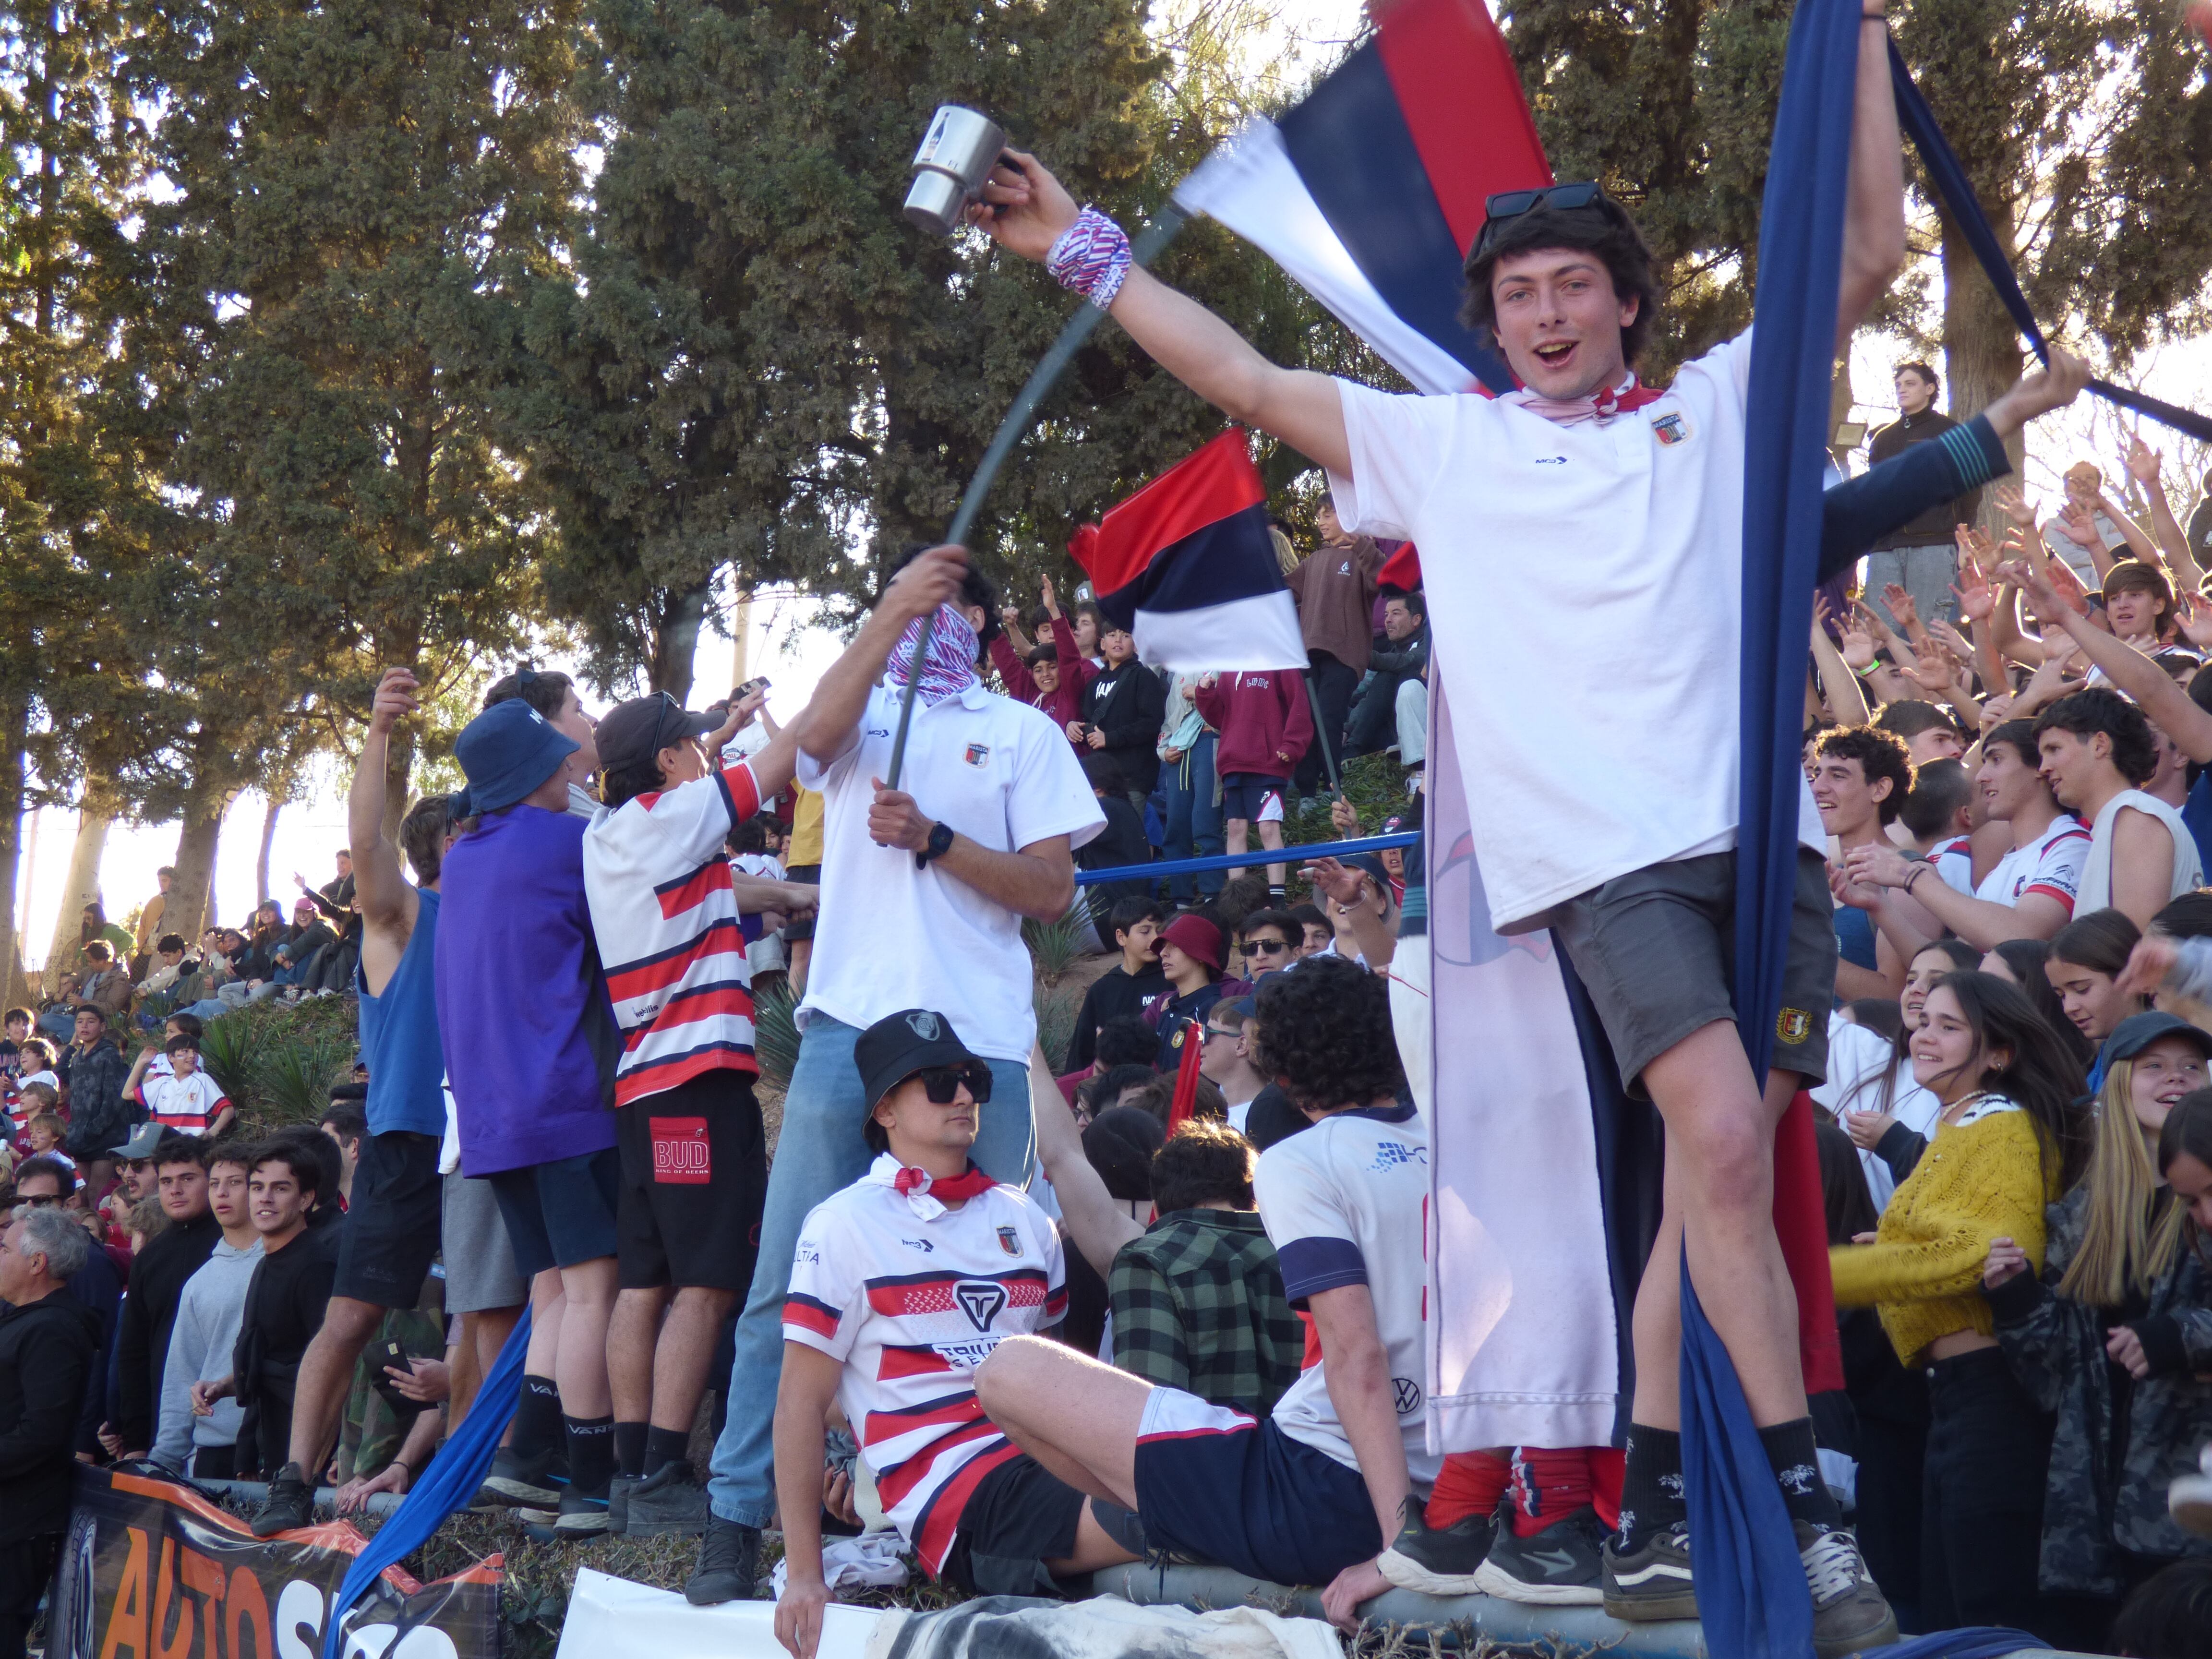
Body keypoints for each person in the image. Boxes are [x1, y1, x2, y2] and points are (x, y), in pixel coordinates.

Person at [690, 545, 1104, 1602]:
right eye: (909, 606)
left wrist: (938, 839)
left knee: (1000, 1287)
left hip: (979, 1035)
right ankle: (738, 1519)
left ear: (981, 622)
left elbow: (1053, 890)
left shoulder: (1024, 731)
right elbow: (807, 742)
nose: (927, 626)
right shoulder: (862, 714)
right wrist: (883, 615)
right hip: (847, 1028)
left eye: (946, 606)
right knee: (788, 1280)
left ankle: (994, 1513)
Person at [970, 956, 1433, 1630]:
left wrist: (1399, 1549)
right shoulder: (1445, 1147)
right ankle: (1182, 1523)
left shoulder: (1303, 1162)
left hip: (1329, 1490)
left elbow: (1356, 1357)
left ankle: (1183, 1529)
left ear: (1283, 1074)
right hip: (1448, 1482)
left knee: (1008, 1370)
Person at [770, 1010, 1138, 1659]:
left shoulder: (1024, 1218)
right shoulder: (843, 1225)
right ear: (884, 1109)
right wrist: (805, 1575)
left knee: (1195, 1483)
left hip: (1054, 1456)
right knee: (1175, 1510)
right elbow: (800, 1404)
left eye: (971, 1079)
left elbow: (1062, 1375)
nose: (965, 1095)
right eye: (939, 1083)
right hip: (958, 1494)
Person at [584, 685, 805, 1537]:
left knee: (645, 1283)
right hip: (695, 1088)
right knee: (708, 1283)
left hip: (644, 1092)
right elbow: (782, 762)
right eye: (696, 745)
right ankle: (670, 1467)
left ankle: (635, 1474)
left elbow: (710, 892)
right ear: (670, 762)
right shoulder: (676, 811)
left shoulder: (614, 831)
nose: (708, 755)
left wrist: (787, 897)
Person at [251, 671, 460, 1532]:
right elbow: (366, 842)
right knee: (349, 1316)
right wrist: (379, 731)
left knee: (490, 1318)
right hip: (409, 1140)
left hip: (495, 1141)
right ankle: (295, 1476)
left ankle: (468, 1472)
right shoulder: (405, 916)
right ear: (446, 844)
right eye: (475, 828)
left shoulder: (511, 921)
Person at [1829, 972, 2090, 1633]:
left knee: (1982, 1616)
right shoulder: (1959, 1126)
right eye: (1924, 1023)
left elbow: (1991, 1249)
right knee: (1952, 1615)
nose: (1926, 1036)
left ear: (1998, 1053)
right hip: (1951, 1397)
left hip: (1992, 1396)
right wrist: (1886, 1244)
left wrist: (1834, 1275)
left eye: (1950, 1027)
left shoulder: (1995, 1125)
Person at [439, 690, 625, 1537]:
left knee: (550, 1290)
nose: (571, 761)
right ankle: (591, 1483)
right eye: (559, 754)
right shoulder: (566, 840)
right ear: (535, 770)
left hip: (492, 1120)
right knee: (592, 1295)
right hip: (564, 1100)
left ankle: (529, 1462)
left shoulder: (465, 855)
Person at [1986, 1019, 2212, 1644]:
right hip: (2098, 1510)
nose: (2176, 1077)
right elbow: (2054, 1377)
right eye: (2154, 1065)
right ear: (2115, 1085)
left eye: (2191, 1066)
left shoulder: (2208, 1204)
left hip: (2193, 1502)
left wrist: (2181, 1336)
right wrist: (2015, 1299)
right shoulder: (2079, 1214)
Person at [1106, 1120, 1301, 1417]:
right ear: (1255, 1193)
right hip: (1317, 1455)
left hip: (1203, 1458)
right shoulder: (1304, 1251)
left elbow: (1149, 1409)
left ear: (1156, 1207)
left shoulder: (1147, 1259)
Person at [1844, 719, 2089, 952]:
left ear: (2039, 767)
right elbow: (1954, 966)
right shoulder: (2003, 866)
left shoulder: (2072, 846)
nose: (1982, 777)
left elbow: (2021, 934)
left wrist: (1911, 877)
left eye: (1996, 759)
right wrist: (1880, 907)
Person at [197, 1140, 341, 1482]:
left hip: (305, 1466)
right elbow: (272, 1357)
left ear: (306, 1199)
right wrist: (224, 1385)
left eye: (281, 1188)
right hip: (267, 1452)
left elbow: (335, 1371)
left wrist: (316, 1461)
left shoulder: (315, 1267)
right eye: (257, 1187)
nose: (265, 1198)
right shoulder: (267, 1263)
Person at [0, 1205, 97, 1659]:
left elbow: (43, 1431)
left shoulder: (52, 1328)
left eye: (3, 1248)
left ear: (36, 1263)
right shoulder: (22, 1320)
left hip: (17, 1524)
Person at [2033, 689, 2201, 928]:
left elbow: (2133, 945)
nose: (2043, 768)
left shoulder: (2136, 817)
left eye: (2054, 749)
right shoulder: (2122, 818)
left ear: (2100, 745)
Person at [151, 1143, 262, 1477]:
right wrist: (166, 1457)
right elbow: (183, 1371)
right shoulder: (199, 1282)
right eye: (214, 1184)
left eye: (235, 1182)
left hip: (274, 1441)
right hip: (214, 1447)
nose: (222, 1193)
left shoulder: (289, 1264)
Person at [107, 1135, 218, 1459]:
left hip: (225, 1421)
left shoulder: (239, 1245)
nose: (175, 1190)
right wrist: (136, 1441)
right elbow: (133, 1351)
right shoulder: (150, 1257)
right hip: (162, 1425)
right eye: (167, 1181)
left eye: (187, 1179)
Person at [1863, 361, 1983, 632]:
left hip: (1933, 544)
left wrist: (1958, 530)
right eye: (1898, 385)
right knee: (1882, 630)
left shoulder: (1952, 432)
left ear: (1930, 389)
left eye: (1910, 383)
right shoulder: (1882, 439)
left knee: (1930, 627)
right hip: (1885, 547)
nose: (1902, 390)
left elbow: (1972, 488)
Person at [1811, 724, 1916, 1000]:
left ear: (1880, 789)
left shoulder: (1909, 874)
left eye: (1838, 776)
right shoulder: (1828, 875)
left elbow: (1897, 996)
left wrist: (1797, 939)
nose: (1818, 788)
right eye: (1817, 774)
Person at [1284, 504, 1381, 798]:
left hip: (1344, 654)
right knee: (1307, 720)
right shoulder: (1314, 561)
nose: (1321, 522)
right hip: (1308, 654)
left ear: (1347, 515)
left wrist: (1363, 546)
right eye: (1319, 516)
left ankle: (1332, 788)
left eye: (1329, 514)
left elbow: (1383, 579)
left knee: (1328, 718)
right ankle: (1308, 793)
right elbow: (1282, 593)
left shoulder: (1363, 554)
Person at [1195, 668, 1313, 897]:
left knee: (1268, 827)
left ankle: (1277, 894)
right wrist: (1205, 694)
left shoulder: (1279, 660)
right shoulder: (1230, 668)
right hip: (1233, 762)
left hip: (1269, 761)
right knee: (1235, 828)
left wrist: (1292, 744)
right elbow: (1222, 717)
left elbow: (1299, 705)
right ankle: (1237, 897)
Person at [1062, 899, 1165, 1074]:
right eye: (1145, 931)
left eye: (1159, 930)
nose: (1155, 938)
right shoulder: (1101, 991)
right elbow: (1082, 1056)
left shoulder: (1171, 978)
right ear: (1121, 937)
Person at [2051, 910, 2152, 1085]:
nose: (2069, 1008)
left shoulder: (2156, 1060)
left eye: (2082, 989)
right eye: (2061, 996)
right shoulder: (2101, 1059)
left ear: (2130, 976)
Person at [1072, 621, 1166, 809]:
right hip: (1099, 778)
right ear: (1102, 643)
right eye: (1112, 635)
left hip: (1133, 779)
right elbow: (1090, 724)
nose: (1118, 640)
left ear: (1135, 643)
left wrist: (1110, 738)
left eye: (1125, 635)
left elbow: (1151, 723)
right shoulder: (1094, 683)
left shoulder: (1144, 677)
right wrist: (1075, 729)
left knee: (1128, 834)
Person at [1346, 590, 1430, 759]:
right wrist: (1346, 729)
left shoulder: (1427, 643)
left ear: (1416, 620)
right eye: (1386, 614)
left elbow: (1409, 661)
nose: (1388, 620)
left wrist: (1365, 656)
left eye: (1396, 613)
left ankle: (1353, 748)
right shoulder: (1394, 649)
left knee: (1388, 677)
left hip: (1427, 726)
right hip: (1386, 731)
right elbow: (1367, 697)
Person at [58, 1004, 131, 1196]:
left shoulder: (110, 1054)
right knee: (79, 1193)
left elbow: (114, 1098)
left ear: (103, 1026)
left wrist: (95, 1129)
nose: (85, 1026)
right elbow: (59, 1072)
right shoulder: (79, 1057)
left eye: (91, 1022)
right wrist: (72, 1046)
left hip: (105, 1135)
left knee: (97, 1192)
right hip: (81, 1136)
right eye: (80, 1022)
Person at [1142, 913, 1226, 1070]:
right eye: (1164, 946)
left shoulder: (1214, 1013)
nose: (1163, 953)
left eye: (1174, 945)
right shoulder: (1168, 1010)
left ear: (1201, 955)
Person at [126, 1034, 232, 1137]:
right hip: (165, 1148)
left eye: (195, 1052)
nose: (192, 1056)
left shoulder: (203, 1080)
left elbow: (228, 1110)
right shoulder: (161, 1083)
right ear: (171, 1058)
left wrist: (213, 1131)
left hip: (194, 1147)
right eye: (185, 1051)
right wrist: (140, 1063)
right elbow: (126, 1094)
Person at [1198, 997, 1268, 1134]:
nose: (1200, 1042)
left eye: (1208, 1033)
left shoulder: (1270, 1113)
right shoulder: (1203, 1114)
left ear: (1241, 1045)